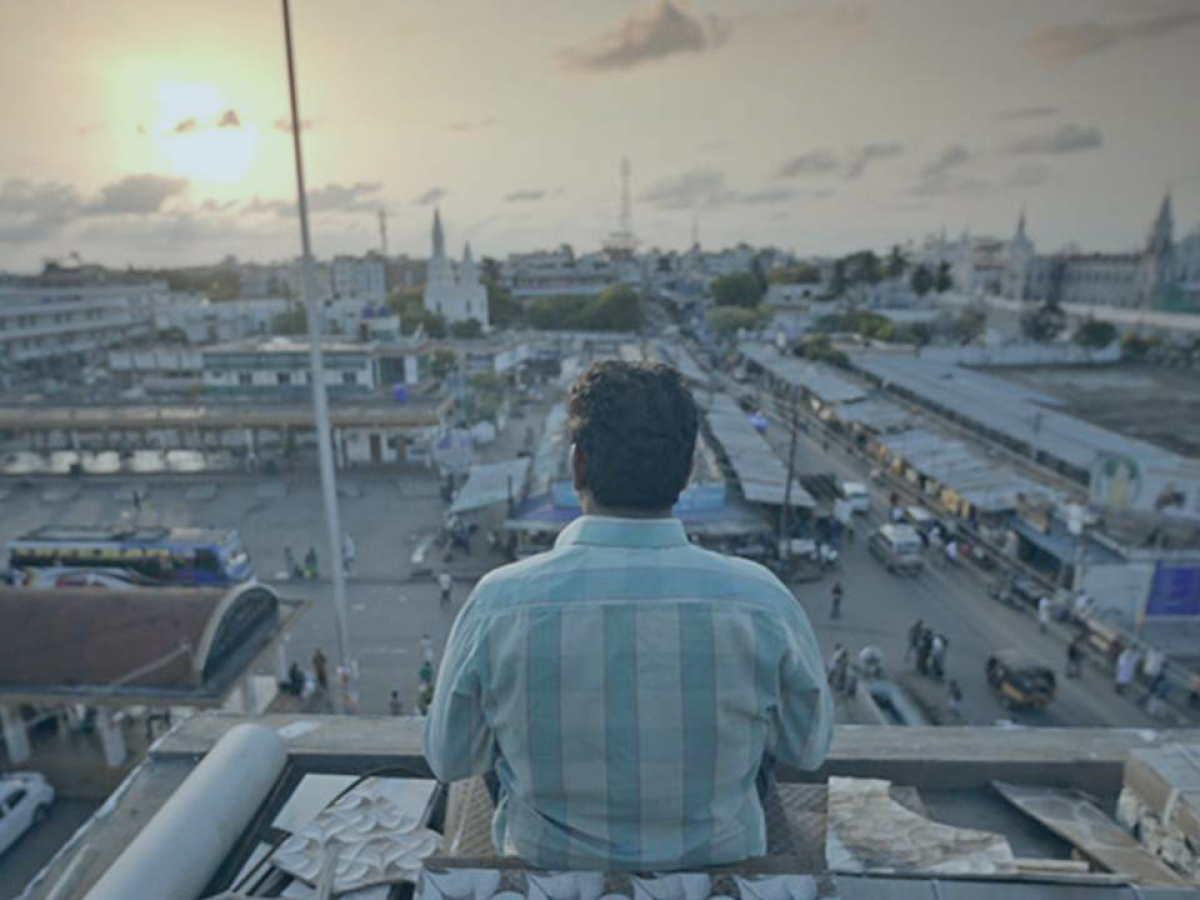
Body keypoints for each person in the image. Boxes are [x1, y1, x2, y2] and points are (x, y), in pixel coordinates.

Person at [424, 361, 832, 872]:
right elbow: (808, 746)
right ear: (686, 472)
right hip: (717, 876)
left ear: (577, 467)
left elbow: (450, 757)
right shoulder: (762, 602)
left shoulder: (499, 603)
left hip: (551, 879)